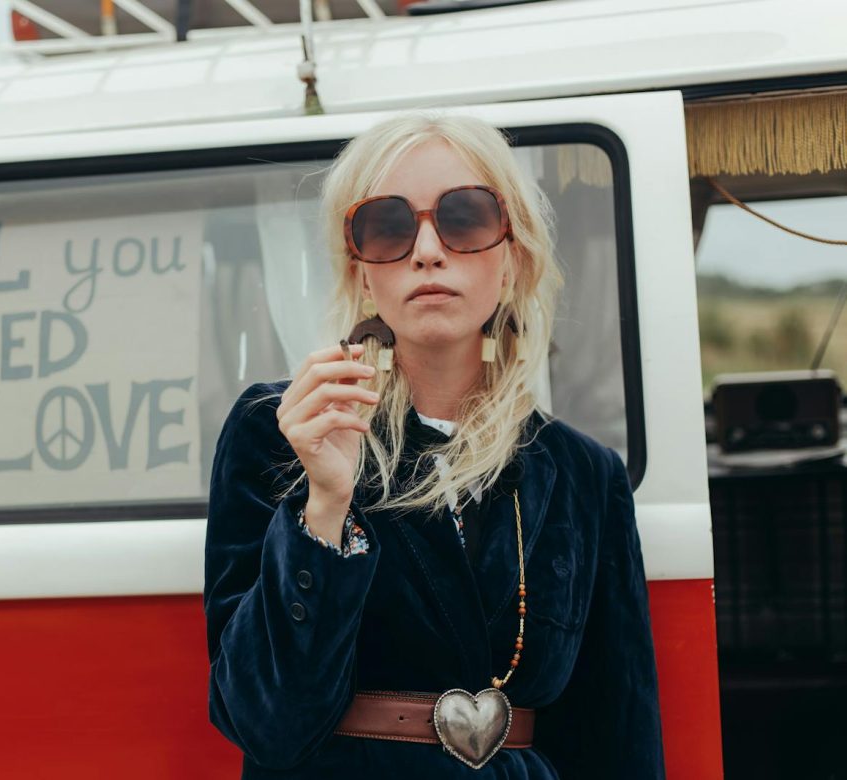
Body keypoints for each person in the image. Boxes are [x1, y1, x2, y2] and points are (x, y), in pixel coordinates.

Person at [203, 111, 666, 779]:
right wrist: (324, 504)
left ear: (511, 260)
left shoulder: (582, 474)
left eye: (466, 218)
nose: (427, 249)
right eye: (388, 226)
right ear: (362, 272)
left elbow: (618, 731)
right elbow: (264, 722)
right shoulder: (280, 430)